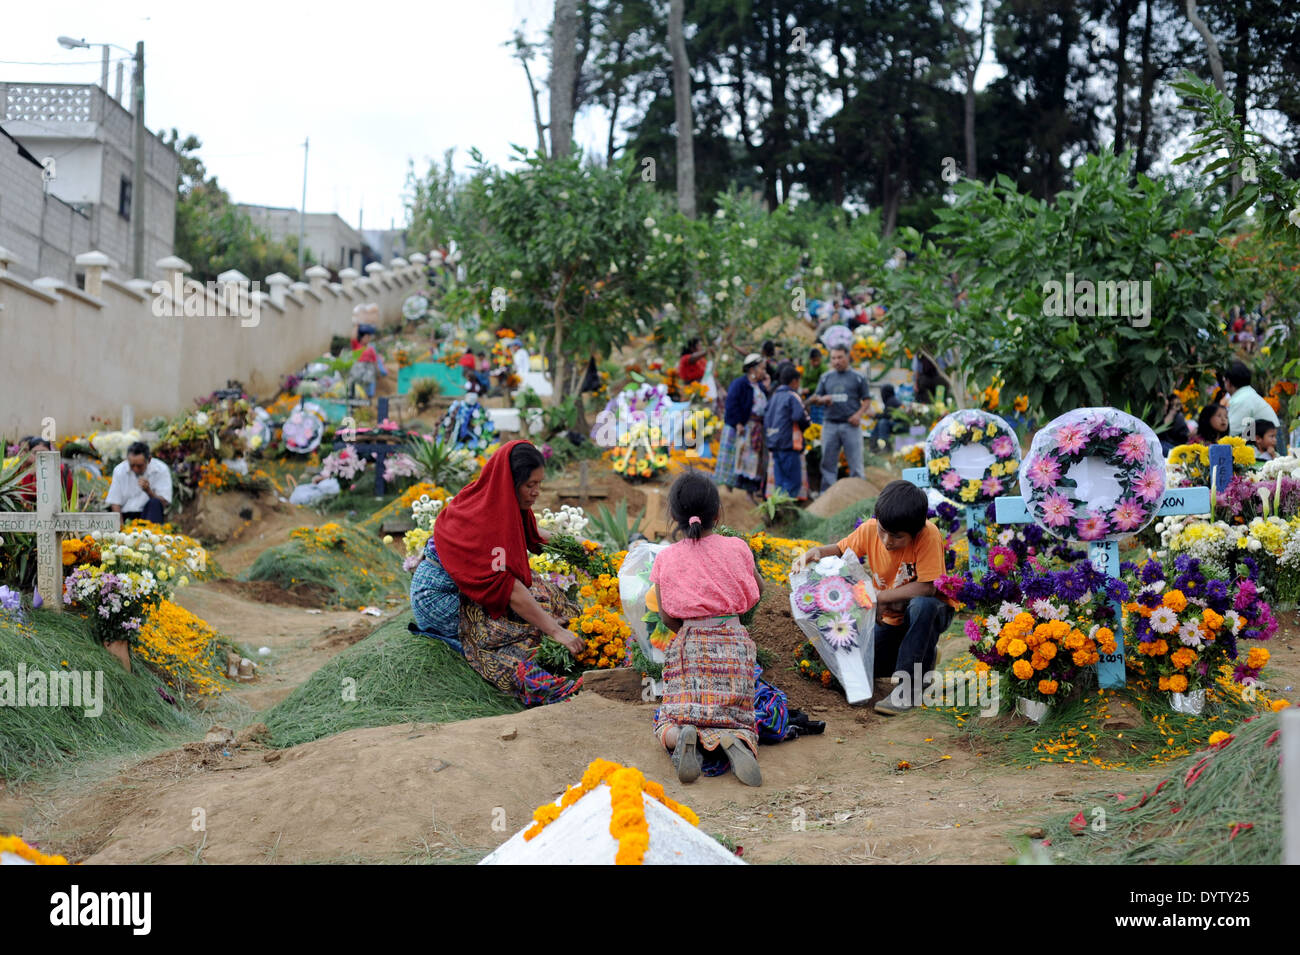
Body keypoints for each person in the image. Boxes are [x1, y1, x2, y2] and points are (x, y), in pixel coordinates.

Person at [408, 440, 585, 706]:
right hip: (439, 597)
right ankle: (533, 681)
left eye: (539, 483)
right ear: (510, 483)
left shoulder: (497, 497)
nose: (537, 492)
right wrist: (554, 631)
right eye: (530, 485)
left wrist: (577, 547)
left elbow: (533, 536)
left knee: (544, 592)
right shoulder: (488, 517)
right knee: (513, 626)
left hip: (463, 584)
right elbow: (508, 588)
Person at [791, 480, 957, 716]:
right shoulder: (870, 529)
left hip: (930, 612)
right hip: (892, 618)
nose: (887, 541)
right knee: (864, 663)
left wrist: (879, 597)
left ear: (916, 532)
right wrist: (815, 552)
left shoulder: (928, 535)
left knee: (923, 606)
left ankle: (908, 688)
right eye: (883, 532)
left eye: (897, 537)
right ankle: (924, 659)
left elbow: (927, 588)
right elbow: (840, 549)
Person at [650, 471, 764, 785]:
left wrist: (692, 631)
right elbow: (757, 591)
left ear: (674, 516)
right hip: (733, 643)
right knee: (741, 718)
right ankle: (736, 739)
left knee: (668, 720)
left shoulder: (666, 558)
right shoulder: (737, 547)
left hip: (690, 645)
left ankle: (681, 737)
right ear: (717, 514)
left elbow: (665, 616)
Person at [808, 345, 871, 491]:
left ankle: (860, 496)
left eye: (840, 357)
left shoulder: (858, 377)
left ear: (848, 357)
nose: (836, 361)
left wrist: (858, 415)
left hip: (851, 425)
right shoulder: (825, 378)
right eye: (833, 358)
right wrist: (822, 399)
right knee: (828, 464)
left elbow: (867, 400)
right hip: (830, 424)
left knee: (856, 464)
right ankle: (828, 497)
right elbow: (816, 398)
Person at [715, 354, 769, 503]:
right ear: (753, 369)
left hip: (755, 429)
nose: (764, 372)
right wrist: (738, 422)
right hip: (741, 428)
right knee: (735, 459)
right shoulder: (739, 384)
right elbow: (731, 404)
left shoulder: (761, 387)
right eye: (762, 368)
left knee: (751, 462)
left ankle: (748, 495)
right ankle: (728, 492)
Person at [764, 362, 810, 498]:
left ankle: (778, 511)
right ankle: (788, 513)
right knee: (793, 482)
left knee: (780, 483)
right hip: (789, 444)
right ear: (795, 381)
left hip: (774, 444)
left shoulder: (774, 396)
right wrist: (805, 425)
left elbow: (766, 418)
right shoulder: (792, 396)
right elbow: (799, 416)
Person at [106, 441, 173, 523]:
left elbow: (164, 503)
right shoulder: (119, 470)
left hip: (149, 515)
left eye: (139, 466)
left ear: (149, 460)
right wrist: (121, 529)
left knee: (155, 503)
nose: (135, 469)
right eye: (132, 465)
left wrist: (149, 491)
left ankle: (152, 533)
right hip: (126, 515)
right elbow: (115, 502)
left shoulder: (161, 469)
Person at [1222, 361, 1279, 437]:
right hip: (1269, 437)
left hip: (1269, 441)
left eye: (1224, 380)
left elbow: (1232, 431)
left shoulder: (1241, 400)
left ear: (1228, 382)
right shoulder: (1248, 394)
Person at [16, 436, 74, 505]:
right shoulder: (28, 475)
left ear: (50, 453)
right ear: (30, 455)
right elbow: (26, 501)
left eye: (44, 452)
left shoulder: (60, 470)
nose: (41, 456)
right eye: (35, 453)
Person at [348, 325, 388, 399]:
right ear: (361, 338)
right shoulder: (356, 345)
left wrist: (378, 372)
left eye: (369, 337)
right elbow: (353, 337)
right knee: (355, 384)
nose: (368, 339)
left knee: (368, 383)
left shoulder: (371, 349)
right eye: (366, 337)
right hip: (358, 369)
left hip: (368, 370)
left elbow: (375, 361)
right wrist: (356, 326)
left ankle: (367, 398)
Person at [869, 383, 903, 451]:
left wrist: (875, 415)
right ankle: (874, 446)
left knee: (883, 422)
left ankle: (886, 446)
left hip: (900, 425)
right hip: (895, 423)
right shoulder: (890, 400)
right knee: (880, 422)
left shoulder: (892, 401)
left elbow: (887, 416)